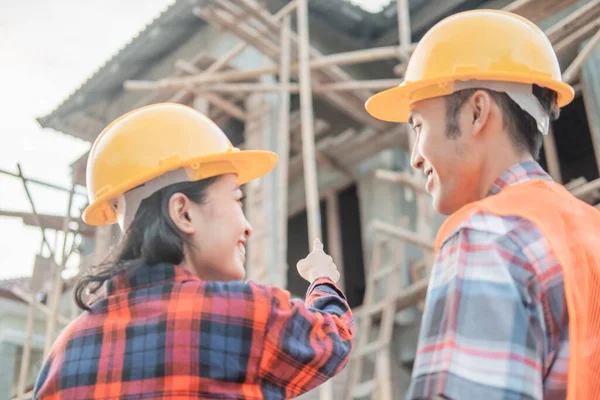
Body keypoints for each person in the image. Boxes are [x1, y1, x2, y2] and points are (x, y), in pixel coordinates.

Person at [33, 103, 355, 399]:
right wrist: (322, 277)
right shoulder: (246, 316)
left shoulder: (64, 355)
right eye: (236, 200)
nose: (248, 227)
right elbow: (334, 336)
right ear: (183, 213)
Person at [365, 9, 600, 400]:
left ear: (476, 112)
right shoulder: (591, 228)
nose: (415, 158)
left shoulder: (486, 235)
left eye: (419, 126)